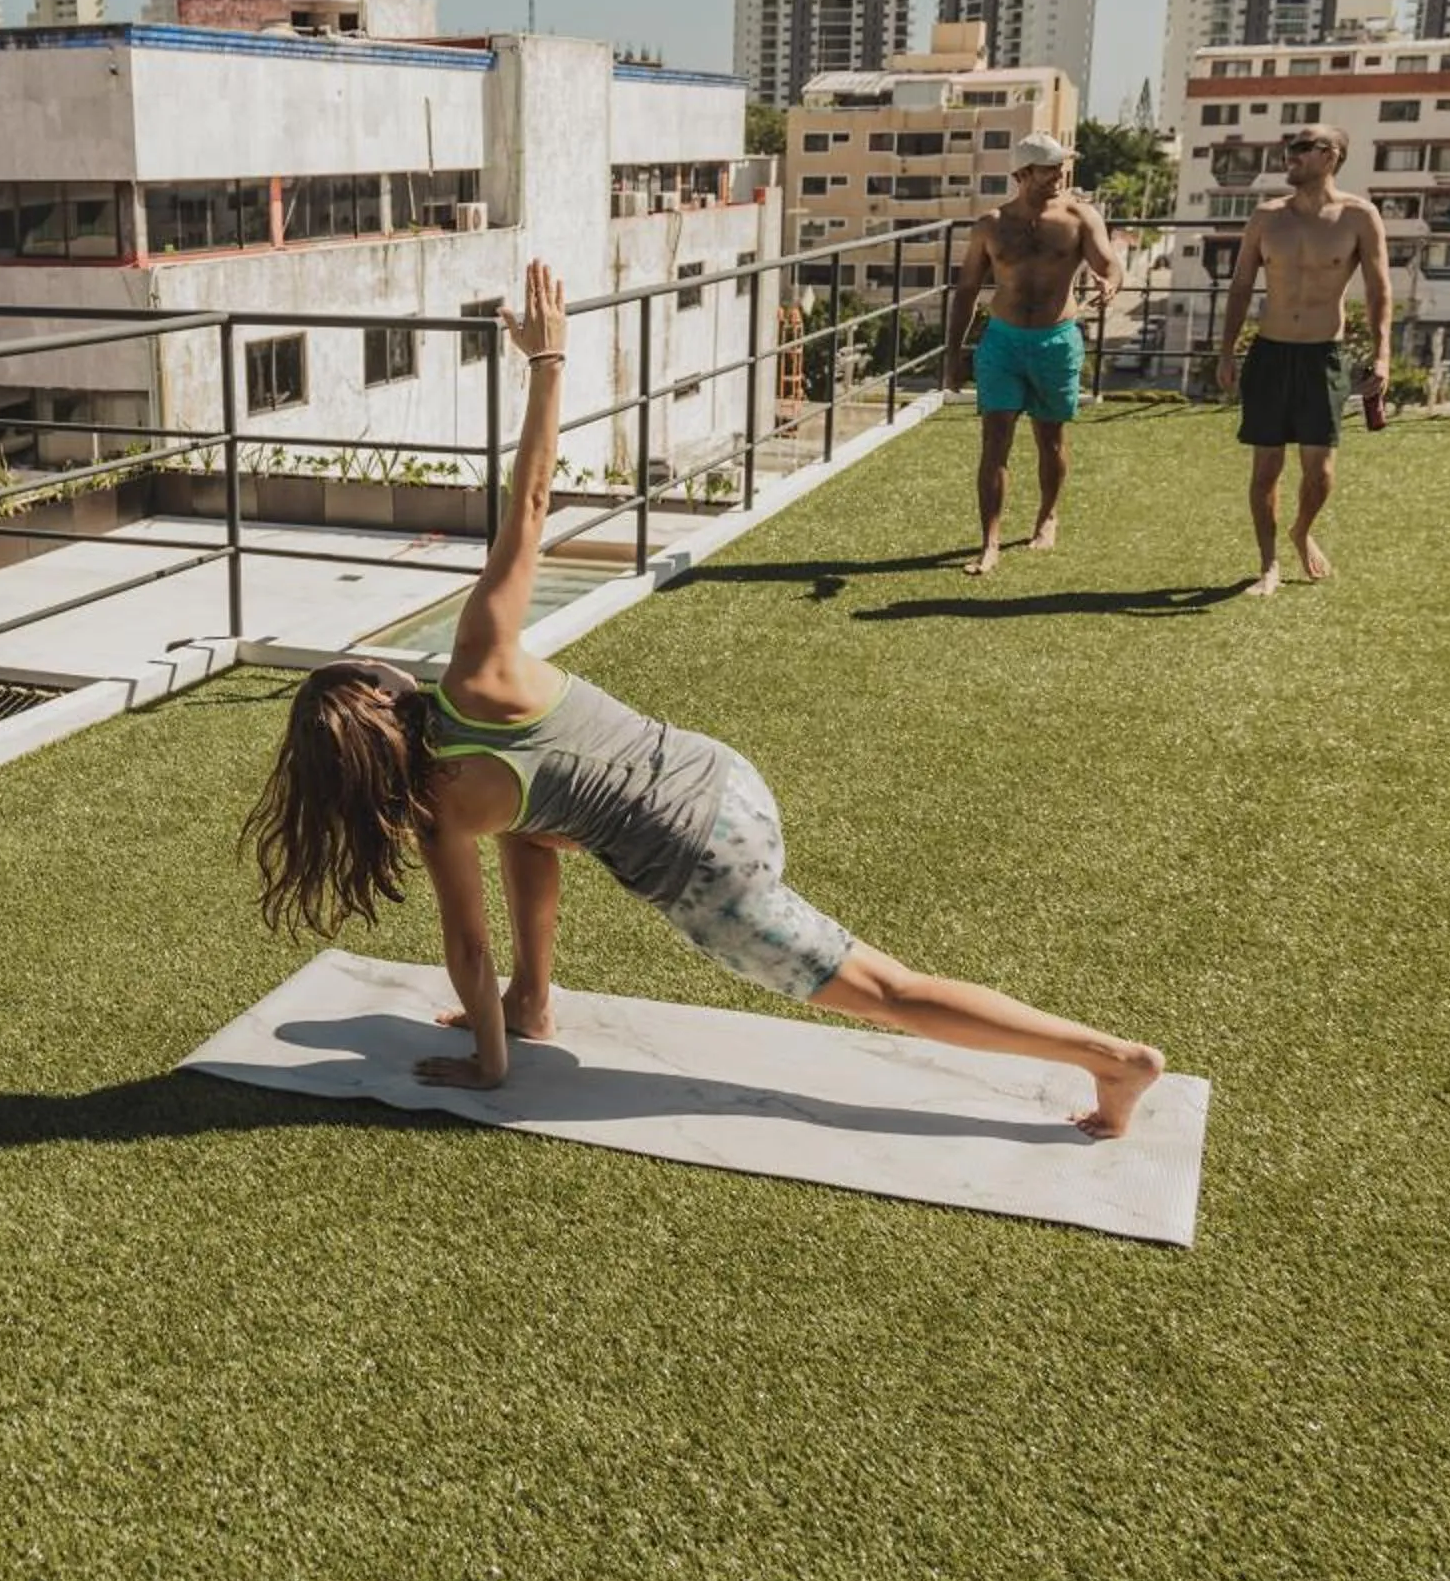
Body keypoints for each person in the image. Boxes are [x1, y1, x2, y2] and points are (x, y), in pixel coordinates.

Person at [245, 261, 1168, 1138]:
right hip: (723, 776)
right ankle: (536, 1004)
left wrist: (487, 1067)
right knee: (532, 819)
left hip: (706, 865)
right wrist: (548, 360)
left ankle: (1107, 1057)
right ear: (389, 691)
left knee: (885, 989)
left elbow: (464, 948)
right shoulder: (479, 672)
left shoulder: (439, 811)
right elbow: (526, 510)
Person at [1214, 123, 1392, 597]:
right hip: (1270, 353)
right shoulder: (1267, 217)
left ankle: (1301, 529)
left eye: (1300, 148)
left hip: (1323, 356)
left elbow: (1378, 291)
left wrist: (1383, 357)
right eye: (1287, 148)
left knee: (1322, 471)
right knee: (1265, 468)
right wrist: (1227, 349)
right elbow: (1240, 286)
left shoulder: (1359, 217)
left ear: (1330, 155)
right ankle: (1268, 564)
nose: (1289, 155)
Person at [944, 130, 1121, 576]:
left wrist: (1110, 282)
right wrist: (952, 355)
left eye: (1062, 165)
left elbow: (1107, 263)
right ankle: (990, 541)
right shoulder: (990, 224)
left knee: (1051, 438)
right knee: (995, 441)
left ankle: (1047, 517)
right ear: (1022, 174)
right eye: (1049, 168)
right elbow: (966, 292)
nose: (1059, 174)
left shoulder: (1081, 216)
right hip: (1002, 341)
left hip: (1056, 340)